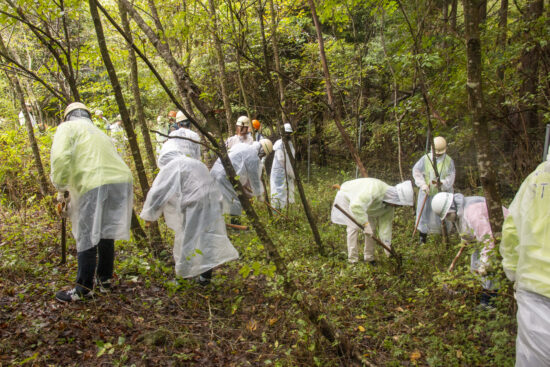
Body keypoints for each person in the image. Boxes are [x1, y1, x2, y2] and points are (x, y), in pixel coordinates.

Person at [50, 102, 133, 302]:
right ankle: (104, 281)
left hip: (93, 181)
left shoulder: (67, 128)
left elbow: (61, 157)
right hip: (120, 180)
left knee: (86, 232)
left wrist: (61, 187)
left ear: (67, 117)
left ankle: (83, 288)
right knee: (106, 229)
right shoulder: (99, 132)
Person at [140, 146, 238, 285]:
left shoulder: (172, 165)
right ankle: (205, 277)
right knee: (207, 237)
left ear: (164, 159)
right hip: (214, 200)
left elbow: (158, 192)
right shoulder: (195, 162)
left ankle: (183, 276)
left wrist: (149, 215)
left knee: (188, 238)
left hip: (195, 205)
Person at [500, 159, 550, 366]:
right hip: (534, 291)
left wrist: (512, 270)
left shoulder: (537, 176)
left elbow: (511, 226)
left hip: (533, 288)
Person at [431, 192, 509, 306]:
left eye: (448, 215)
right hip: (482, 239)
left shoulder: (472, 211)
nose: (448, 218)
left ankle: (489, 302)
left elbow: (488, 238)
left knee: (488, 269)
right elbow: (469, 229)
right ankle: (480, 291)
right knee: (475, 267)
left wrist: (485, 262)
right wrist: (466, 239)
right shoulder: (460, 210)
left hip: (501, 236)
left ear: (452, 207)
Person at [331, 178, 413, 264]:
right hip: (349, 199)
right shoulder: (375, 189)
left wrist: (387, 245)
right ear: (395, 198)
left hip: (366, 206)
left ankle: (369, 258)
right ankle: (353, 260)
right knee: (353, 228)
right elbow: (356, 206)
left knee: (372, 229)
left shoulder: (389, 207)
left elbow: (386, 226)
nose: (396, 206)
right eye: (397, 204)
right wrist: (365, 224)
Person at [210, 140, 272, 223]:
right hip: (224, 175)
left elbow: (238, 166)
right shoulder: (253, 156)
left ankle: (215, 223)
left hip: (215, 171)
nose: (262, 156)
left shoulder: (243, 146)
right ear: (262, 150)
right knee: (235, 199)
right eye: (263, 154)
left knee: (217, 199)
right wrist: (259, 194)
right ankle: (236, 224)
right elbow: (254, 178)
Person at [412, 136, 455, 244]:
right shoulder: (426, 158)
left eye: (439, 153)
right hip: (427, 192)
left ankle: (443, 237)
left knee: (442, 214)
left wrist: (442, 184)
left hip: (443, 194)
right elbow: (416, 171)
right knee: (424, 215)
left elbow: (451, 177)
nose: (437, 154)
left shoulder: (449, 161)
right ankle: (423, 237)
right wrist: (422, 185)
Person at [271, 123, 295, 209]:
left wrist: (291, 172)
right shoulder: (279, 144)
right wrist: (290, 172)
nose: (288, 135)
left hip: (287, 173)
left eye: (289, 133)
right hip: (279, 173)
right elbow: (282, 161)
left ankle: (285, 210)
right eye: (286, 133)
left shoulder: (290, 144)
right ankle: (276, 212)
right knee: (278, 193)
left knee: (286, 193)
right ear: (282, 133)